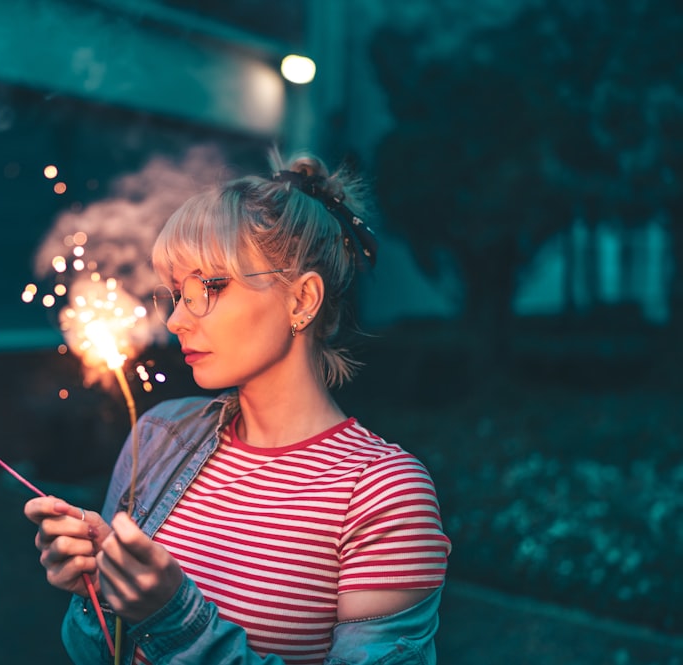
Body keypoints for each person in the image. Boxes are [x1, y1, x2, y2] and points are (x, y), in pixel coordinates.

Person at [25, 152, 451, 664]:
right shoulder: (160, 435)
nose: (177, 320)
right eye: (176, 294)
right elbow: (97, 655)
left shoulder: (382, 495)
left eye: (208, 287)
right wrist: (99, 594)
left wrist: (173, 619)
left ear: (302, 301)